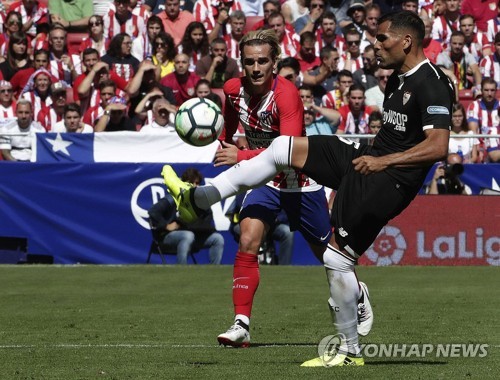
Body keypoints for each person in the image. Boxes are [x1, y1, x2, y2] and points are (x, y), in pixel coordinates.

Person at [162, 11, 454, 366]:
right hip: (367, 160)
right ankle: (199, 198)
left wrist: (382, 163)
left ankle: (348, 352)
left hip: (388, 181)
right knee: (284, 148)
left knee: (334, 258)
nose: (375, 45)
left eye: (382, 39)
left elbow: (438, 147)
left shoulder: (433, 82)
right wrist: (373, 156)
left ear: (406, 41)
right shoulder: (397, 78)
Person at [166, 29, 364, 350]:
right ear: (241, 64)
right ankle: (241, 324)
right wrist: (219, 140)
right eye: (249, 62)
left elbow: (285, 153)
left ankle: (358, 292)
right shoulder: (232, 89)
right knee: (247, 240)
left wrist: (240, 155)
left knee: (328, 258)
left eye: (262, 61)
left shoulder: (286, 96)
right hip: (265, 180)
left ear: (274, 63)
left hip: (299, 179)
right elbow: (228, 125)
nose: (256, 68)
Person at [148, 168, 224, 265]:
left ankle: (214, 273)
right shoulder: (172, 199)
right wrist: (166, 226)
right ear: (186, 183)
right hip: (168, 238)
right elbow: (153, 212)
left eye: (199, 183)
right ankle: (182, 270)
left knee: (217, 238)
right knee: (188, 235)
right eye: (195, 183)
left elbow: (207, 221)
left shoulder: (201, 202)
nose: (198, 186)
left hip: (194, 237)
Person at [466, 77, 500, 163]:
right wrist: (479, 149)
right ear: (481, 90)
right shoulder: (474, 106)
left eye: (492, 90)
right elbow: (473, 132)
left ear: (496, 91)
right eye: (486, 90)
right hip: (483, 146)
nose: (489, 93)